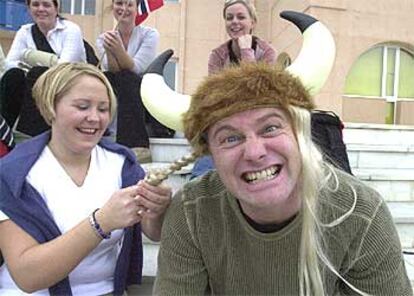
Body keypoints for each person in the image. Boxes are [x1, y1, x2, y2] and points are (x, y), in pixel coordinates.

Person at [153, 63, 412, 295]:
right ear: (210, 154)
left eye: (270, 127)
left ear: (300, 132)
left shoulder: (361, 213)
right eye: (230, 138)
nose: (255, 152)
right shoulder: (192, 211)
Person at [0, 62, 172, 295]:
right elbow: (27, 276)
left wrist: (157, 209)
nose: (94, 118)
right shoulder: (13, 173)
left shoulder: (122, 164)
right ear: (51, 107)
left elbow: (154, 232)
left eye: (103, 109)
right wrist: (100, 223)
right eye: (82, 107)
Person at [97, 0, 173, 163]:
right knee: (107, 79)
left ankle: (137, 144)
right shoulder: (104, 38)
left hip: (141, 95)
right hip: (118, 89)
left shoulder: (149, 34)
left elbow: (136, 68)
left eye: (129, 4)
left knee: (128, 78)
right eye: (119, 3)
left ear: (136, 8)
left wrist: (117, 49)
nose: (124, 9)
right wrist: (110, 50)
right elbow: (113, 71)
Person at [0, 0, 88, 138]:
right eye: (35, 5)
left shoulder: (70, 30)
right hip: (34, 81)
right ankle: (4, 132)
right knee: (13, 75)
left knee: (37, 73)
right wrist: (33, 61)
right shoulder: (25, 31)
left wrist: (30, 56)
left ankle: (29, 134)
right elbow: (9, 64)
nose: (41, 9)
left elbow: (63, 67)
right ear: (29, 8)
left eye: (46, 5)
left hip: (69, 83)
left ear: (56, 8)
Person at [208, 0, 276, 75]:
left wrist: (246, 51)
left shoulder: (267, 52)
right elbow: (213, 86)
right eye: (229, 18)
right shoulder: (217, 55)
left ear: (252, 23)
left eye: (241, 17)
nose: (234, 21)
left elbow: (258, 85)